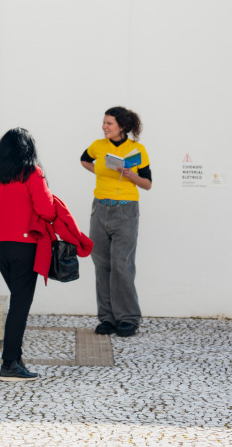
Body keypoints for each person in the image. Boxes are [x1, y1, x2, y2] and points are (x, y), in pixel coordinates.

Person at [0, 128, 55, 382]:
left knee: (18, 301)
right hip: (25, 245)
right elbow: (46, 210)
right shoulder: (32, 172)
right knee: (20, 306)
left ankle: (16, 357)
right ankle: (9, 364)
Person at [80, 107, 152, 338]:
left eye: (109, 123)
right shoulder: (98, 146)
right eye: (103, 122)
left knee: (122, 265)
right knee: (102, 265)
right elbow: (84, 160)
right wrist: (100, 173)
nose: (104, 127)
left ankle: (128, 319)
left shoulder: (136, 150)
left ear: (122, 126)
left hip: (126, 211)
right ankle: (107, 318)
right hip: (100, 208)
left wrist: (131, 176)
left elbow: (148, 183)